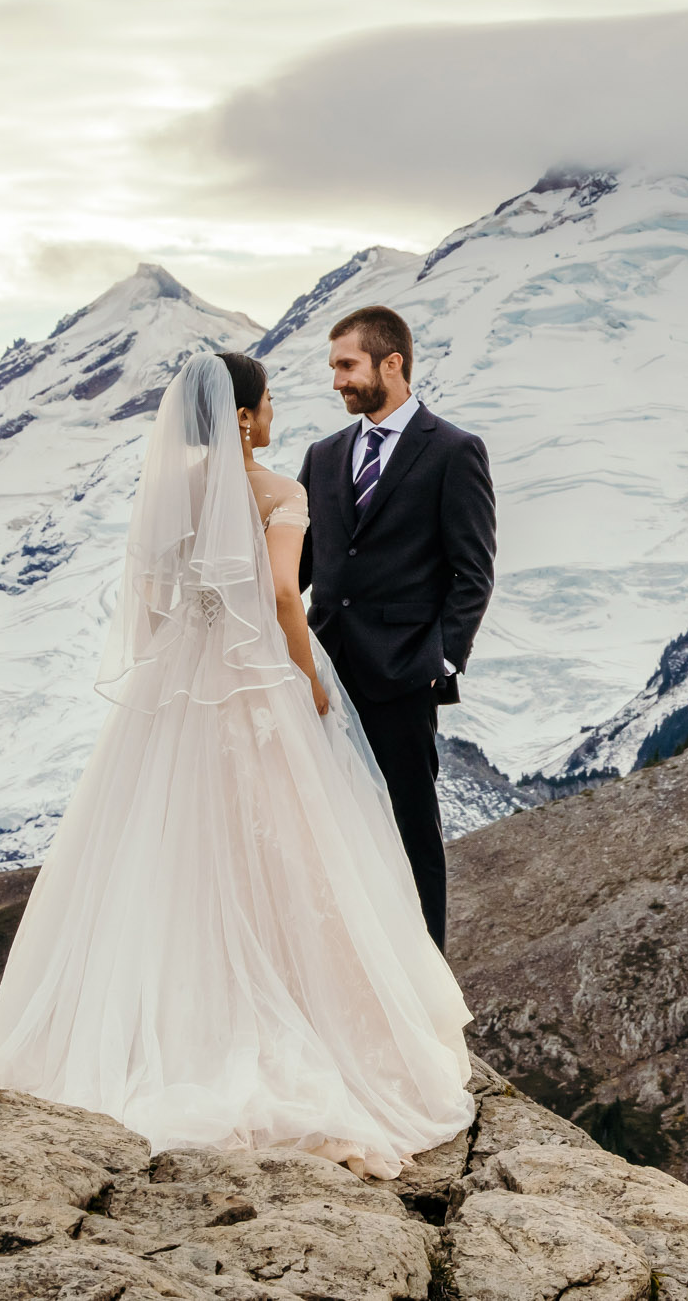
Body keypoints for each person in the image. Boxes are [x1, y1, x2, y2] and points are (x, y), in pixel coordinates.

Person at [0, 352, 474, 1178]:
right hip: (253, 679)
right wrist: (308, 679)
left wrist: (178, 653)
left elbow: (148, 600)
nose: (277, 412)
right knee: (283, 846)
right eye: (269, 401)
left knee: (168, 848)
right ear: (242, 416)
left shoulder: (173, 492)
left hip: (180, 678)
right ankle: (299, 1021)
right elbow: (285, 596)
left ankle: (172, 1027)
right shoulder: (277, 491)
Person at [297, 307, 497, 951]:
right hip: (321, 677)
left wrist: (441, 659)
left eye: (346, 366)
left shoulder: (453, 451)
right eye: (334, 368)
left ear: (392, 364)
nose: (337, 382)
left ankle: (427, 987)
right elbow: (297, 565)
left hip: (403, 677)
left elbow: (474, 570)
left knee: (412, 834)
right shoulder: (323, 456)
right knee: (325, 830)